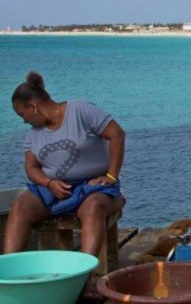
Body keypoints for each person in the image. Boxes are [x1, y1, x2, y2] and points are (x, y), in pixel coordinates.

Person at [4, 72, 126, 262]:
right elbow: (31, 168)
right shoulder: (32, 134)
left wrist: (111, 176)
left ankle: (84, 275)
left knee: (94, 207)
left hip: (92, 187)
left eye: (22, 114)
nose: (24, 120)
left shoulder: (79, 110)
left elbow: (117, 134)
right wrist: (49, 183)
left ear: (33, 106)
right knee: (20, 207)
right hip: (52, 188)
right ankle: (7, 273)